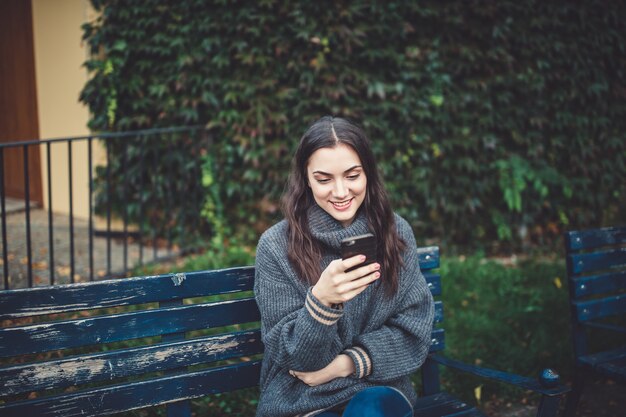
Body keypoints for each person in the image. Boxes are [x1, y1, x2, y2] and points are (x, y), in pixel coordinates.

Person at [254, 116, 435, 417]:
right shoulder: (276, 246)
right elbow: (291, 357)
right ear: (306, 179)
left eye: (352, 175)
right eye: (324, 179)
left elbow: (413, 332)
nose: (340, 192)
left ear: (368, 175)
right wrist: (321, 303)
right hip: (302, 401)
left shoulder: (396, 233)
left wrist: (345, 364)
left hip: (376, 394)